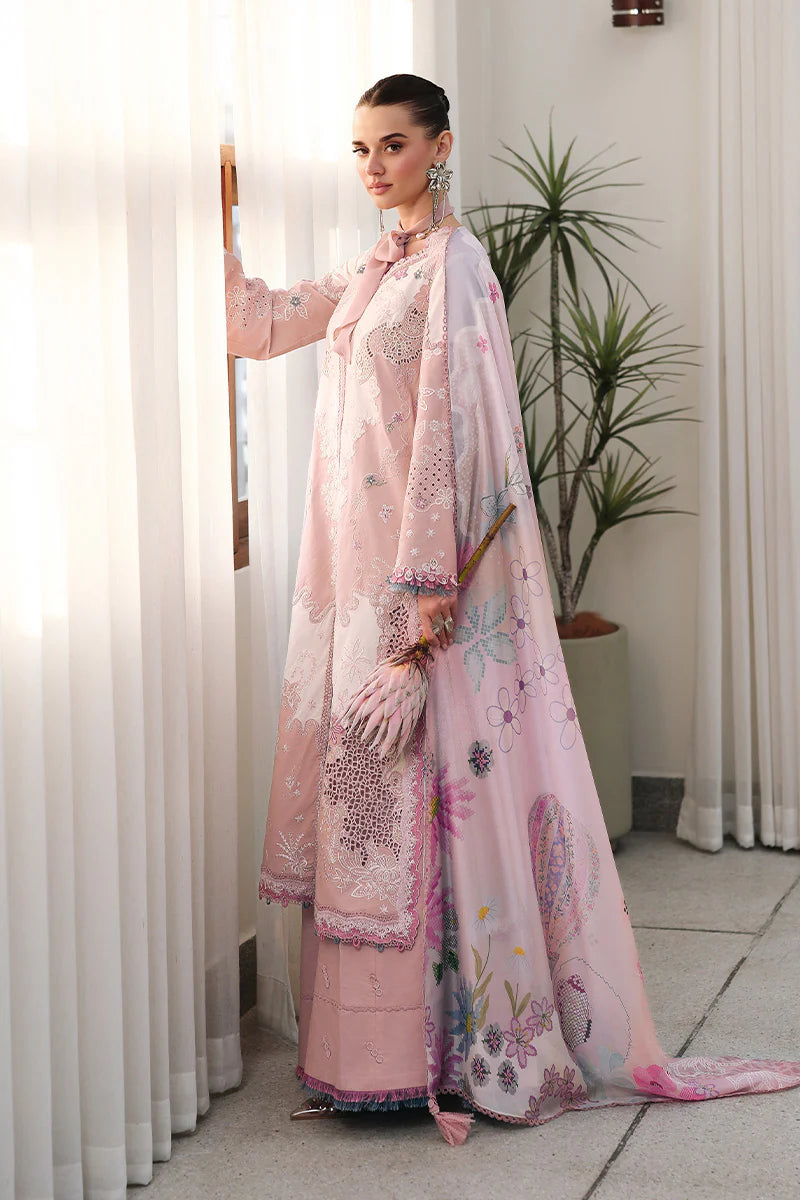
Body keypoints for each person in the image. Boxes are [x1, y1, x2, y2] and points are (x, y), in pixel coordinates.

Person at [224, 73, 800, 1144]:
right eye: (359, 150)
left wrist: (420, 612)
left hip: (417, 594)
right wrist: (204, 211)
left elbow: (464, 446)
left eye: (393, 145)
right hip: (350, 591)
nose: (373, 167)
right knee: (362, 808)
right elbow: (256, 326)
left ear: (439, 146)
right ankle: (358, 1062)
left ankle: (440, 1055)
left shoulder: (457, 269)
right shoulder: (371, 271)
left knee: (416, 803)